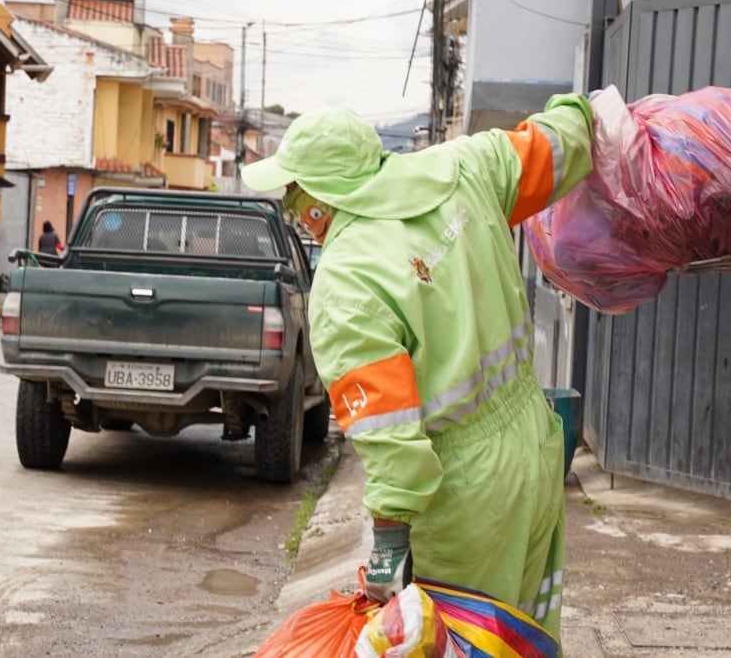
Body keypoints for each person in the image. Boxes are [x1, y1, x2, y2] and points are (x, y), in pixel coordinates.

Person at [240, 95, 593, 639]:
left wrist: (387, 546)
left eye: (294, 191)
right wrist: (583, 111)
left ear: (326, 193)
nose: (291, 207)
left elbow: (394, 447)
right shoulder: (462, 166)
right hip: (535, 444)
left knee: (463, 642)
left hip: (467, 496)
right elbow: (557, 144)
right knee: (526, 631)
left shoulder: (348, 280)